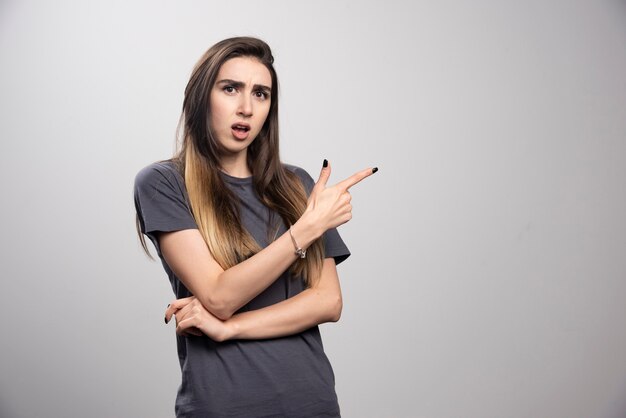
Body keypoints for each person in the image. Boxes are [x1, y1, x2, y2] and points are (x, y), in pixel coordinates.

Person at [134, 36, 377, 418]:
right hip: (223, 405)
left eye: (261, 94)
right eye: (230, 89)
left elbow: (328, 302)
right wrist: (305, 230)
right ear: (202, 97)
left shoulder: (296, 184)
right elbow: (218, 296)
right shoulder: (163, 183)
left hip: (312, 402)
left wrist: (229, 329)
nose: (246, 108)